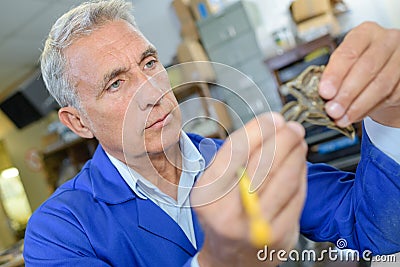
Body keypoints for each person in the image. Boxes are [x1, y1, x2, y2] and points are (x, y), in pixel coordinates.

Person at [23, 0, 400, 266]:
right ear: (78, 122)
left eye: (149, 63)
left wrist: (389, 112)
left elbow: (376, 233)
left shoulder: (243, 163)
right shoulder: (58, 231)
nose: (153, 92)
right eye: (116, 84)